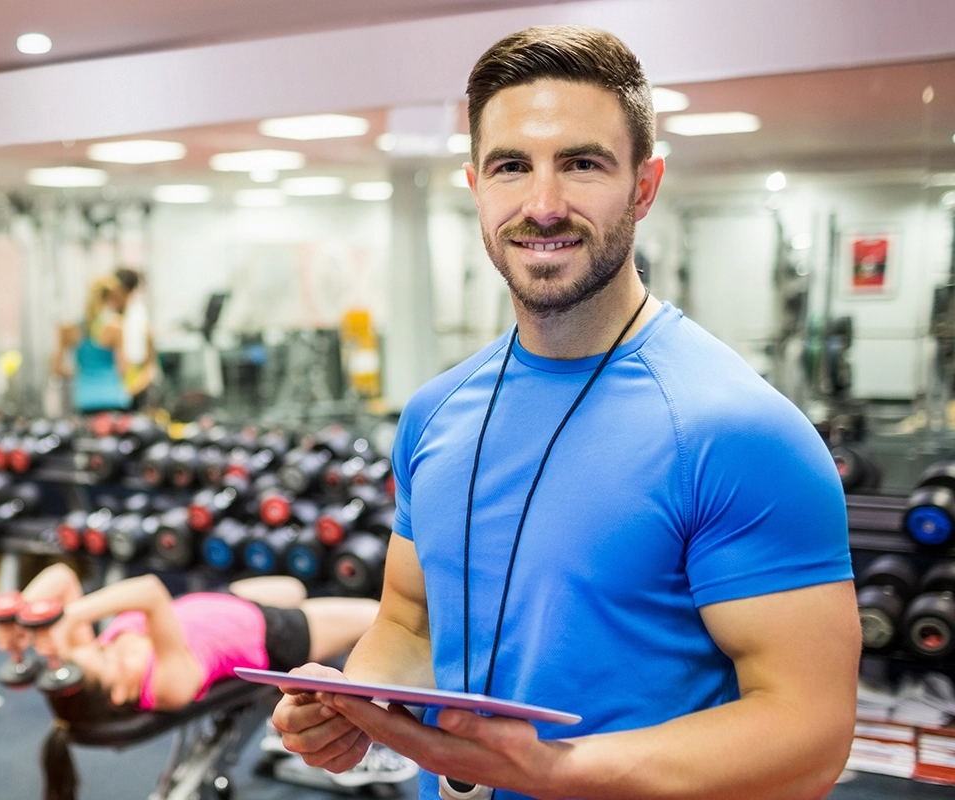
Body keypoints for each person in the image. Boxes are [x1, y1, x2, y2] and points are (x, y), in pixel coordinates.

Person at [270, 26, 857, 800]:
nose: (543, 205)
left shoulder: (737, 430)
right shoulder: (435, 413)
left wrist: (560, 772)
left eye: (582, 164)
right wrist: (357, 703)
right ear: (477, 186)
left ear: (644, 187)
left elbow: (809, 734)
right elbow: (411, 622)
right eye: (512, 167)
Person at [0, 563, 379, 800]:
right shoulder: (165, 686)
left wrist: (20, 617)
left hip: (219, 603)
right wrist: (69, 617)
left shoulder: (97, 666)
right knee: (381, 616)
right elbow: (149, 592)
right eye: (101, 656)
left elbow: (62, 577)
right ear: (116, 693)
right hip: (268, 632)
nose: (102, 648)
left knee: (293, 586)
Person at [56, 275, 150, 415]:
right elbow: (123, 369)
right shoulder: (115, 327)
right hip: (114, 398)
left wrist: (83, 372)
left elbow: (57, 368)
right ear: (110, 299)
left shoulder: (68, 329)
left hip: (85, 399)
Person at [114, 268, 157, 409]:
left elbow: (149, 363)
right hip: (111, 390)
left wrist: (134, 388)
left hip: (135, 388)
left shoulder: (139, 316)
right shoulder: (106, 319)